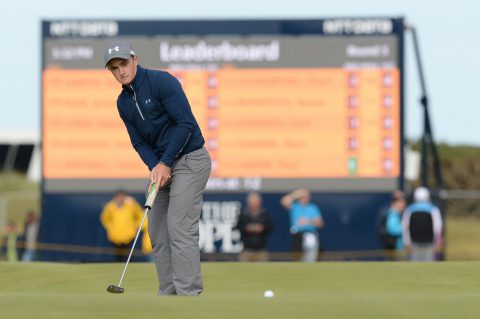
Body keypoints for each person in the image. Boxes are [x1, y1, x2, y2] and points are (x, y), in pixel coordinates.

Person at [104, 42, 211, 296]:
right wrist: (155, 165)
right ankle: (168, 295)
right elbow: (138, 141)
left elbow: (186, 123)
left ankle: (188, 295)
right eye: (114, 68)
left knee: (178, 225)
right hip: (162, 166)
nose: (120, 71)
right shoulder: (123, 102)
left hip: (191, 160)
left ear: (135, 59)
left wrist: (165, 162)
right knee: (158, 231)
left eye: (124, 64)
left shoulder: (163, 82)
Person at [100, 190, 145, 262]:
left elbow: (140, 215)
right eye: (119, 197)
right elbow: (105, 219)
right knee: (118, 256)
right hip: (115, 236)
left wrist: (137, 226)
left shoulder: (131, 205)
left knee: (128, 256)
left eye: (122, 197)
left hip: (129, 235)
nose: (120, 199)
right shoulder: (110, 207)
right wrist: (110, 228)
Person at [280, 188, 324, 262]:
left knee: (310, 257)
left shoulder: (312, 207)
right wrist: (296, 194)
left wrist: (309, 221)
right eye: (303, 196)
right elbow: (284, 201)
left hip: (310, 234)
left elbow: (320, 223)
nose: (305, 198)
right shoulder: (295, 207)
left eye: (307, 196)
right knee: (297, 257)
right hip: (297, 235)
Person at [402, 187, 443, 262]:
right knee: (428, 264)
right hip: (429, 242)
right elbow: (438, 228)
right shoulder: (433, 209)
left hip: (414, 242)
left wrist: (406, 242)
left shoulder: (409, 209)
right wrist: (438, 242)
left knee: (414, 265)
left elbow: (405, 228)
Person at [236, 192, 274, 262]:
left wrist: (262, 228)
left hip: (261, 249)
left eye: (256, 202)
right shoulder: (244, 214)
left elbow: (271, 226)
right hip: (247, 249)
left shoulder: (264, 214)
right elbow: (238, 226)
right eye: (252, 202)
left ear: (260, 202)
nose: (254, 204)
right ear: (248, 203)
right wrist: (247, 228)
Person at [378, 191, 406, 260]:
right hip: (395, 246)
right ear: (396, 203)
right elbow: (392, 229)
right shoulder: (393, 214)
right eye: (402, 202)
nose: (404, 204)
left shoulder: (392, 212)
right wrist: (406, 227)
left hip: (394, 246)